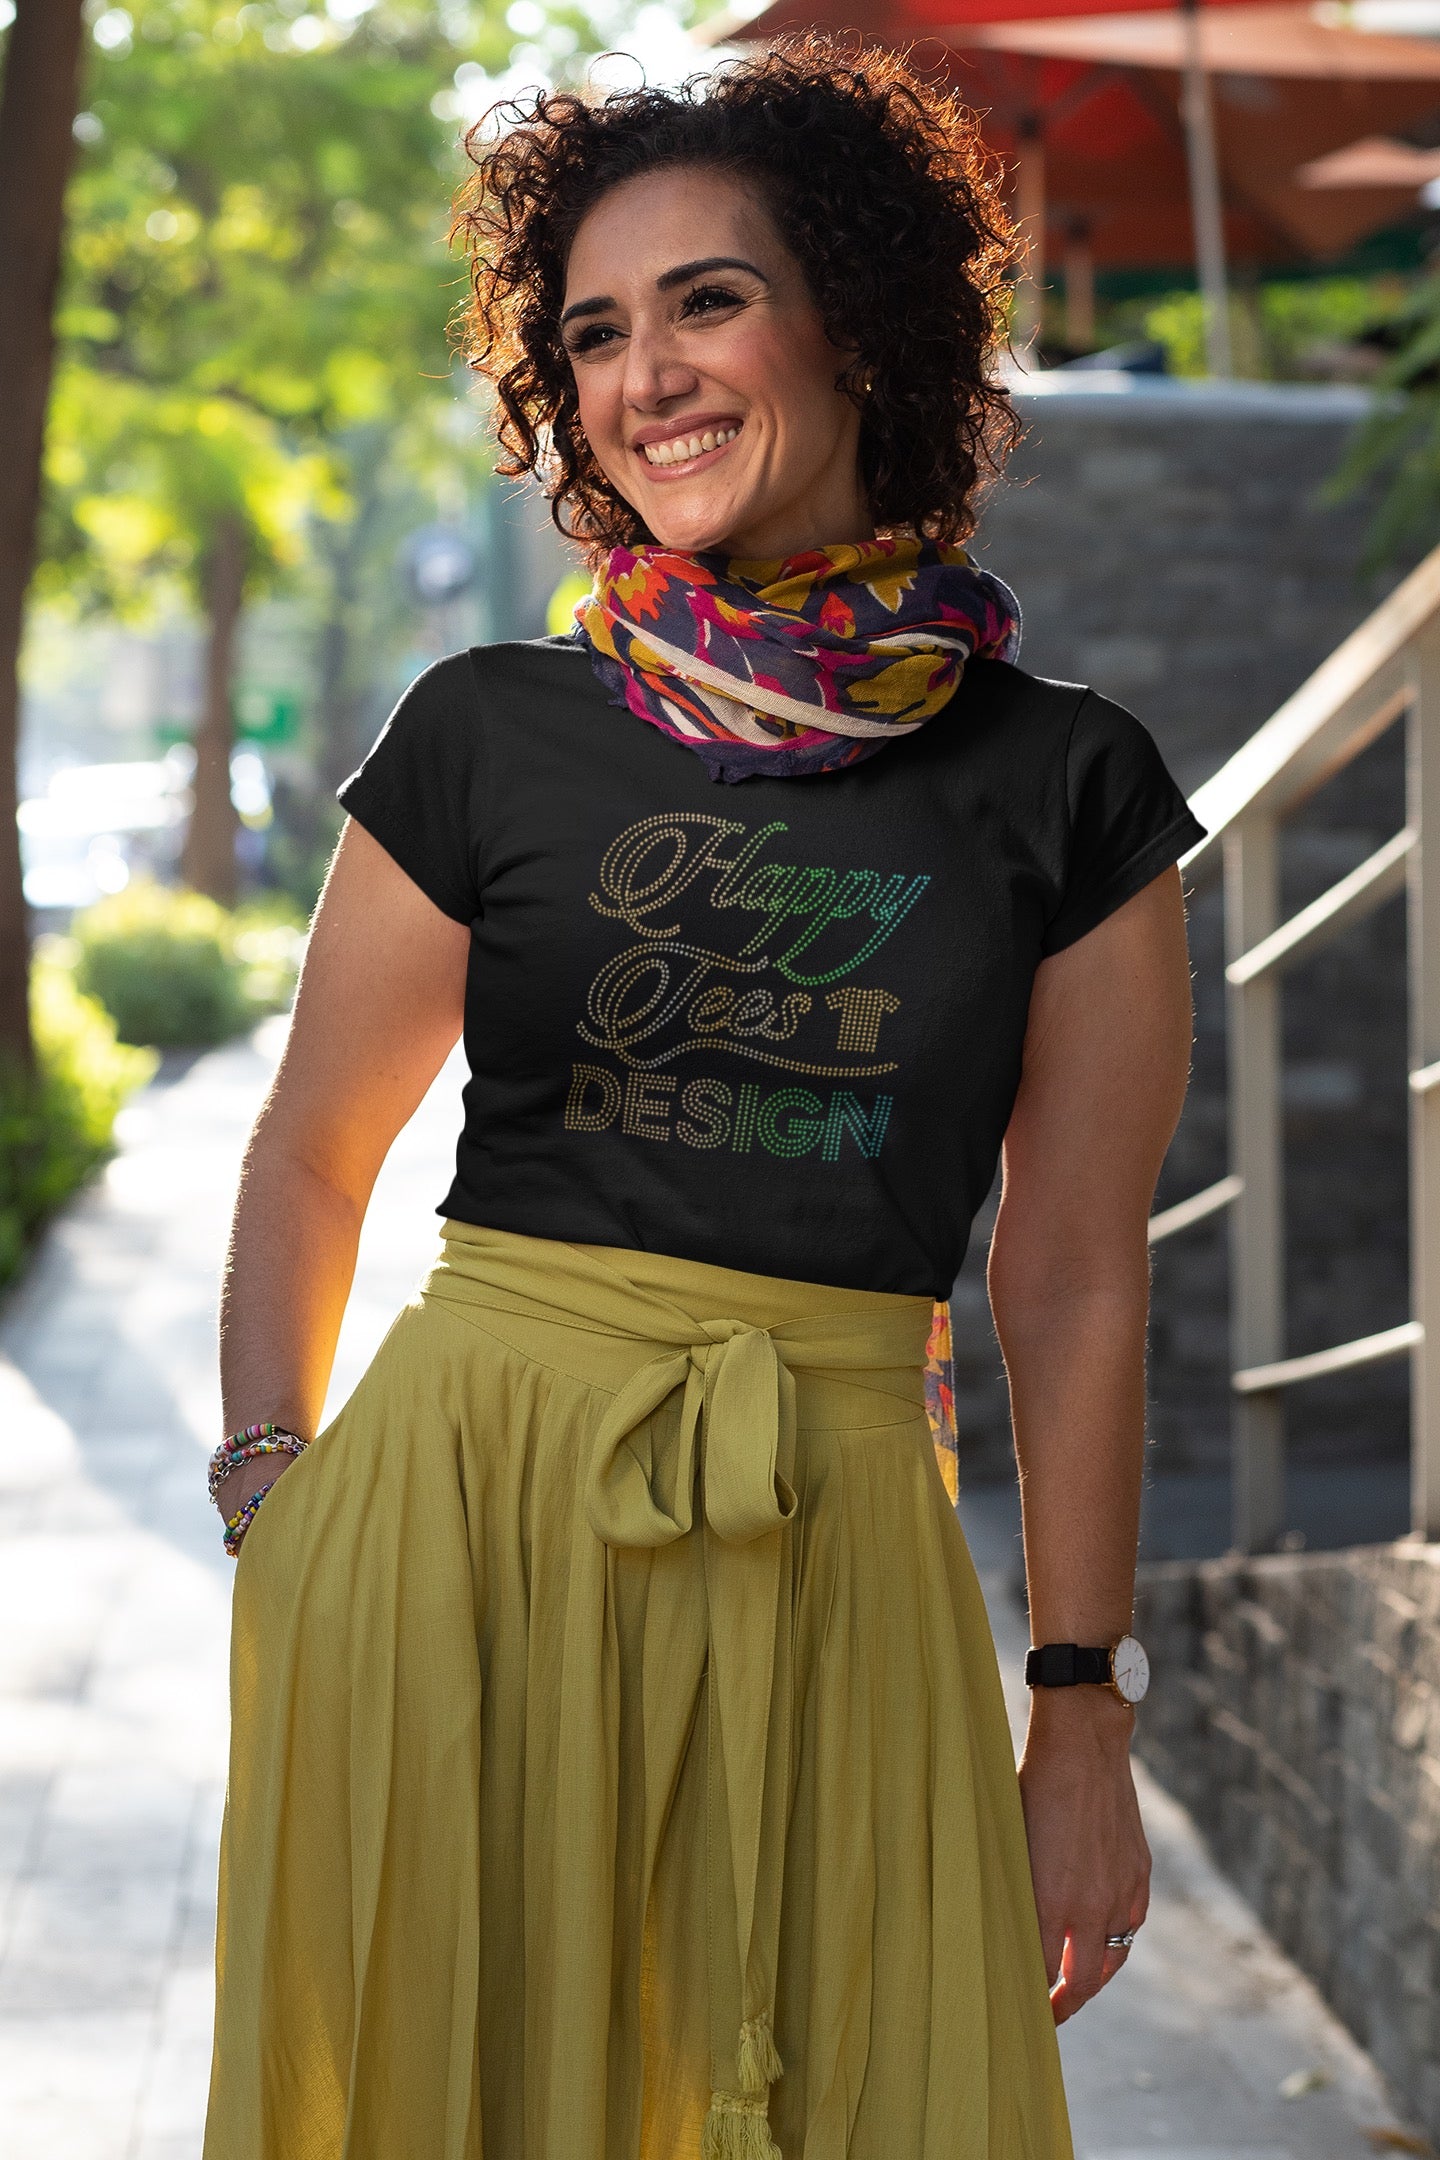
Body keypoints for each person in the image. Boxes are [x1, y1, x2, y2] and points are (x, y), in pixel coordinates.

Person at [202, 37, 1206, 2160]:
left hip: (837, 1538)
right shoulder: (486, 730)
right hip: (457, 1540)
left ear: (858, 320)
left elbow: (1072, 1279)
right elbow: (313, 1147)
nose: (644, 374)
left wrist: (1083, 1713)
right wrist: (275, 1500)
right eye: (592, 332)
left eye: (708, 300)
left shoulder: (1067, 784)